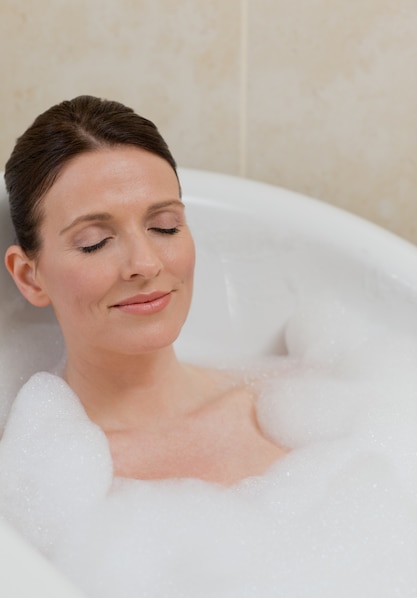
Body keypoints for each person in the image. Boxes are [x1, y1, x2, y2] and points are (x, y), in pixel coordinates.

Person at [3, 95, 286, 486]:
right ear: (30, 277)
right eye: (94, 241)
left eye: (165, 226)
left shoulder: (289, 409)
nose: (145, 263)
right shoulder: (32, 480)